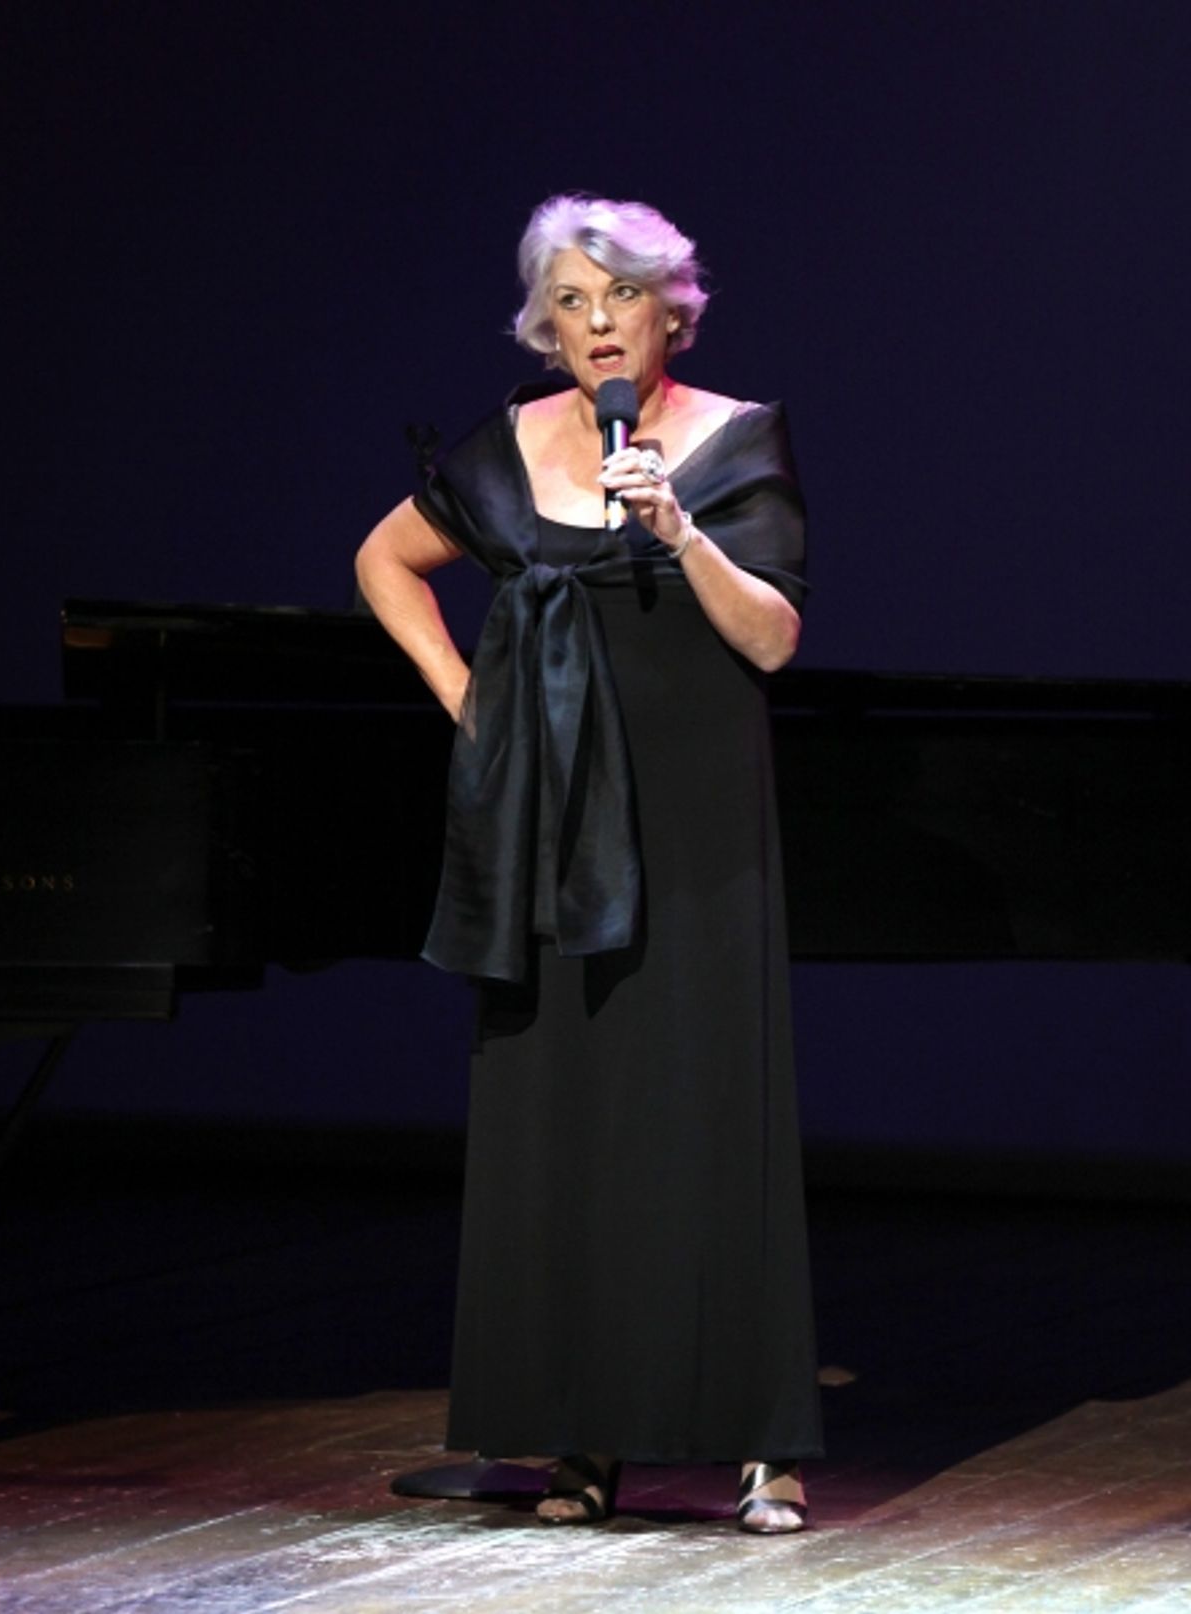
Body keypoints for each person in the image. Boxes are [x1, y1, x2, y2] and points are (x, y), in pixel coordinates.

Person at [355, 194, 822, 1534]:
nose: (596, 323)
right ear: (544, 327)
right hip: (553, 825)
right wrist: (468, 701)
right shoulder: (509, 445)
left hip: (695, 830)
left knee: (704, 1123)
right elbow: (385, 559)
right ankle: (581, 1434)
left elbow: (776, 639)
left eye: (618, 298)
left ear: (672, 307)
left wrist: (676, 526)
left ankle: (757, 1440)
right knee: (566, 1127)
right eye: (569, 302)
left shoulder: (737, 440)